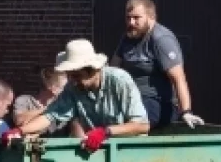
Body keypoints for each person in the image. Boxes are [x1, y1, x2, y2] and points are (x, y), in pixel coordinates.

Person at [19, 40, 149, 152]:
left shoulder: (120, 80)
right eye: (70, 76)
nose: (72, 80)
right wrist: (19, 131)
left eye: (77, 76)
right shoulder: (73, 88)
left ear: (93, 70)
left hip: (131, 151)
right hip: (98, 151)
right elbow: (50, 116)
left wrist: (106, 132)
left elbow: (142, 125)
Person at [113, 0, 201, 128]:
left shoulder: (161, 39)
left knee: (131, 121)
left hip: (158, 103)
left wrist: (186, 111)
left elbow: (178, 78)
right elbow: (114, 68)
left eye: (136, 18)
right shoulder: (128, 38)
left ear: (150, 16)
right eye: (128, 18)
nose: (131, 22)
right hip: (131, 99)